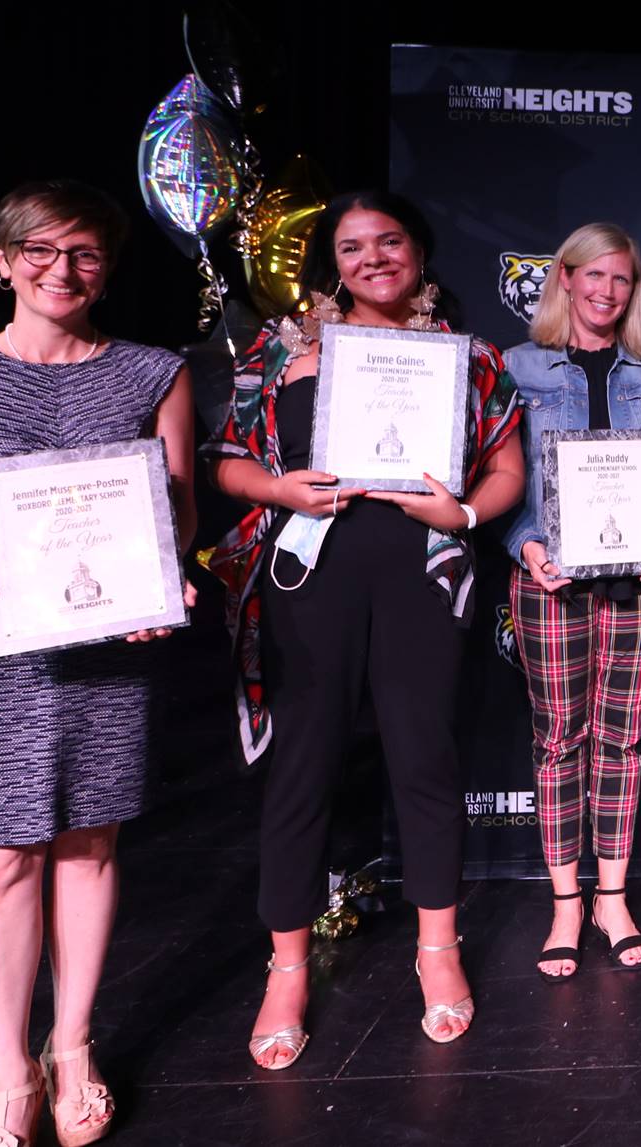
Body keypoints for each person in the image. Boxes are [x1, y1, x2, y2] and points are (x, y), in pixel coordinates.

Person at [0, 180, 194, 1146]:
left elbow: (176, 512)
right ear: (6, 259)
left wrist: (163, 588)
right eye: (42, 251)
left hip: (107, 643)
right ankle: (7, 1078)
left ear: (106, 266)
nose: (64, 270)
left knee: (88, 848)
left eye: (86, 253)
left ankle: (72, 1046)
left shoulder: (153, 370)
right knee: (1, 860)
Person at [202, 190, 524, 1066]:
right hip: (313, 580)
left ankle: (438, 949)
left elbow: (506, 472)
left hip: (421, 582)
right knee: (300, 769)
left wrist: (463, 516)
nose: (372, 258)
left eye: (389, 241)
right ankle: (288, 967)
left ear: (419, 252)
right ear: (331, 263)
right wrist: (281, 489)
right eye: (351, 247)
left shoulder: (472, 356)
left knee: (425, 760)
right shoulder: (279, 349)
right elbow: (225, 465)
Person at [503, 223, 641, 979]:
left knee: (620, 739)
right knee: (559, 741)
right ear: (566, 277)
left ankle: (611, 896)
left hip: (637, 580)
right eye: (595, 276)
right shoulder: (518, 366)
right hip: (549, 580)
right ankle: (565, 903)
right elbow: (500, 475)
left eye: (622, 280)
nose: (608, 292)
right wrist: (526, 542)